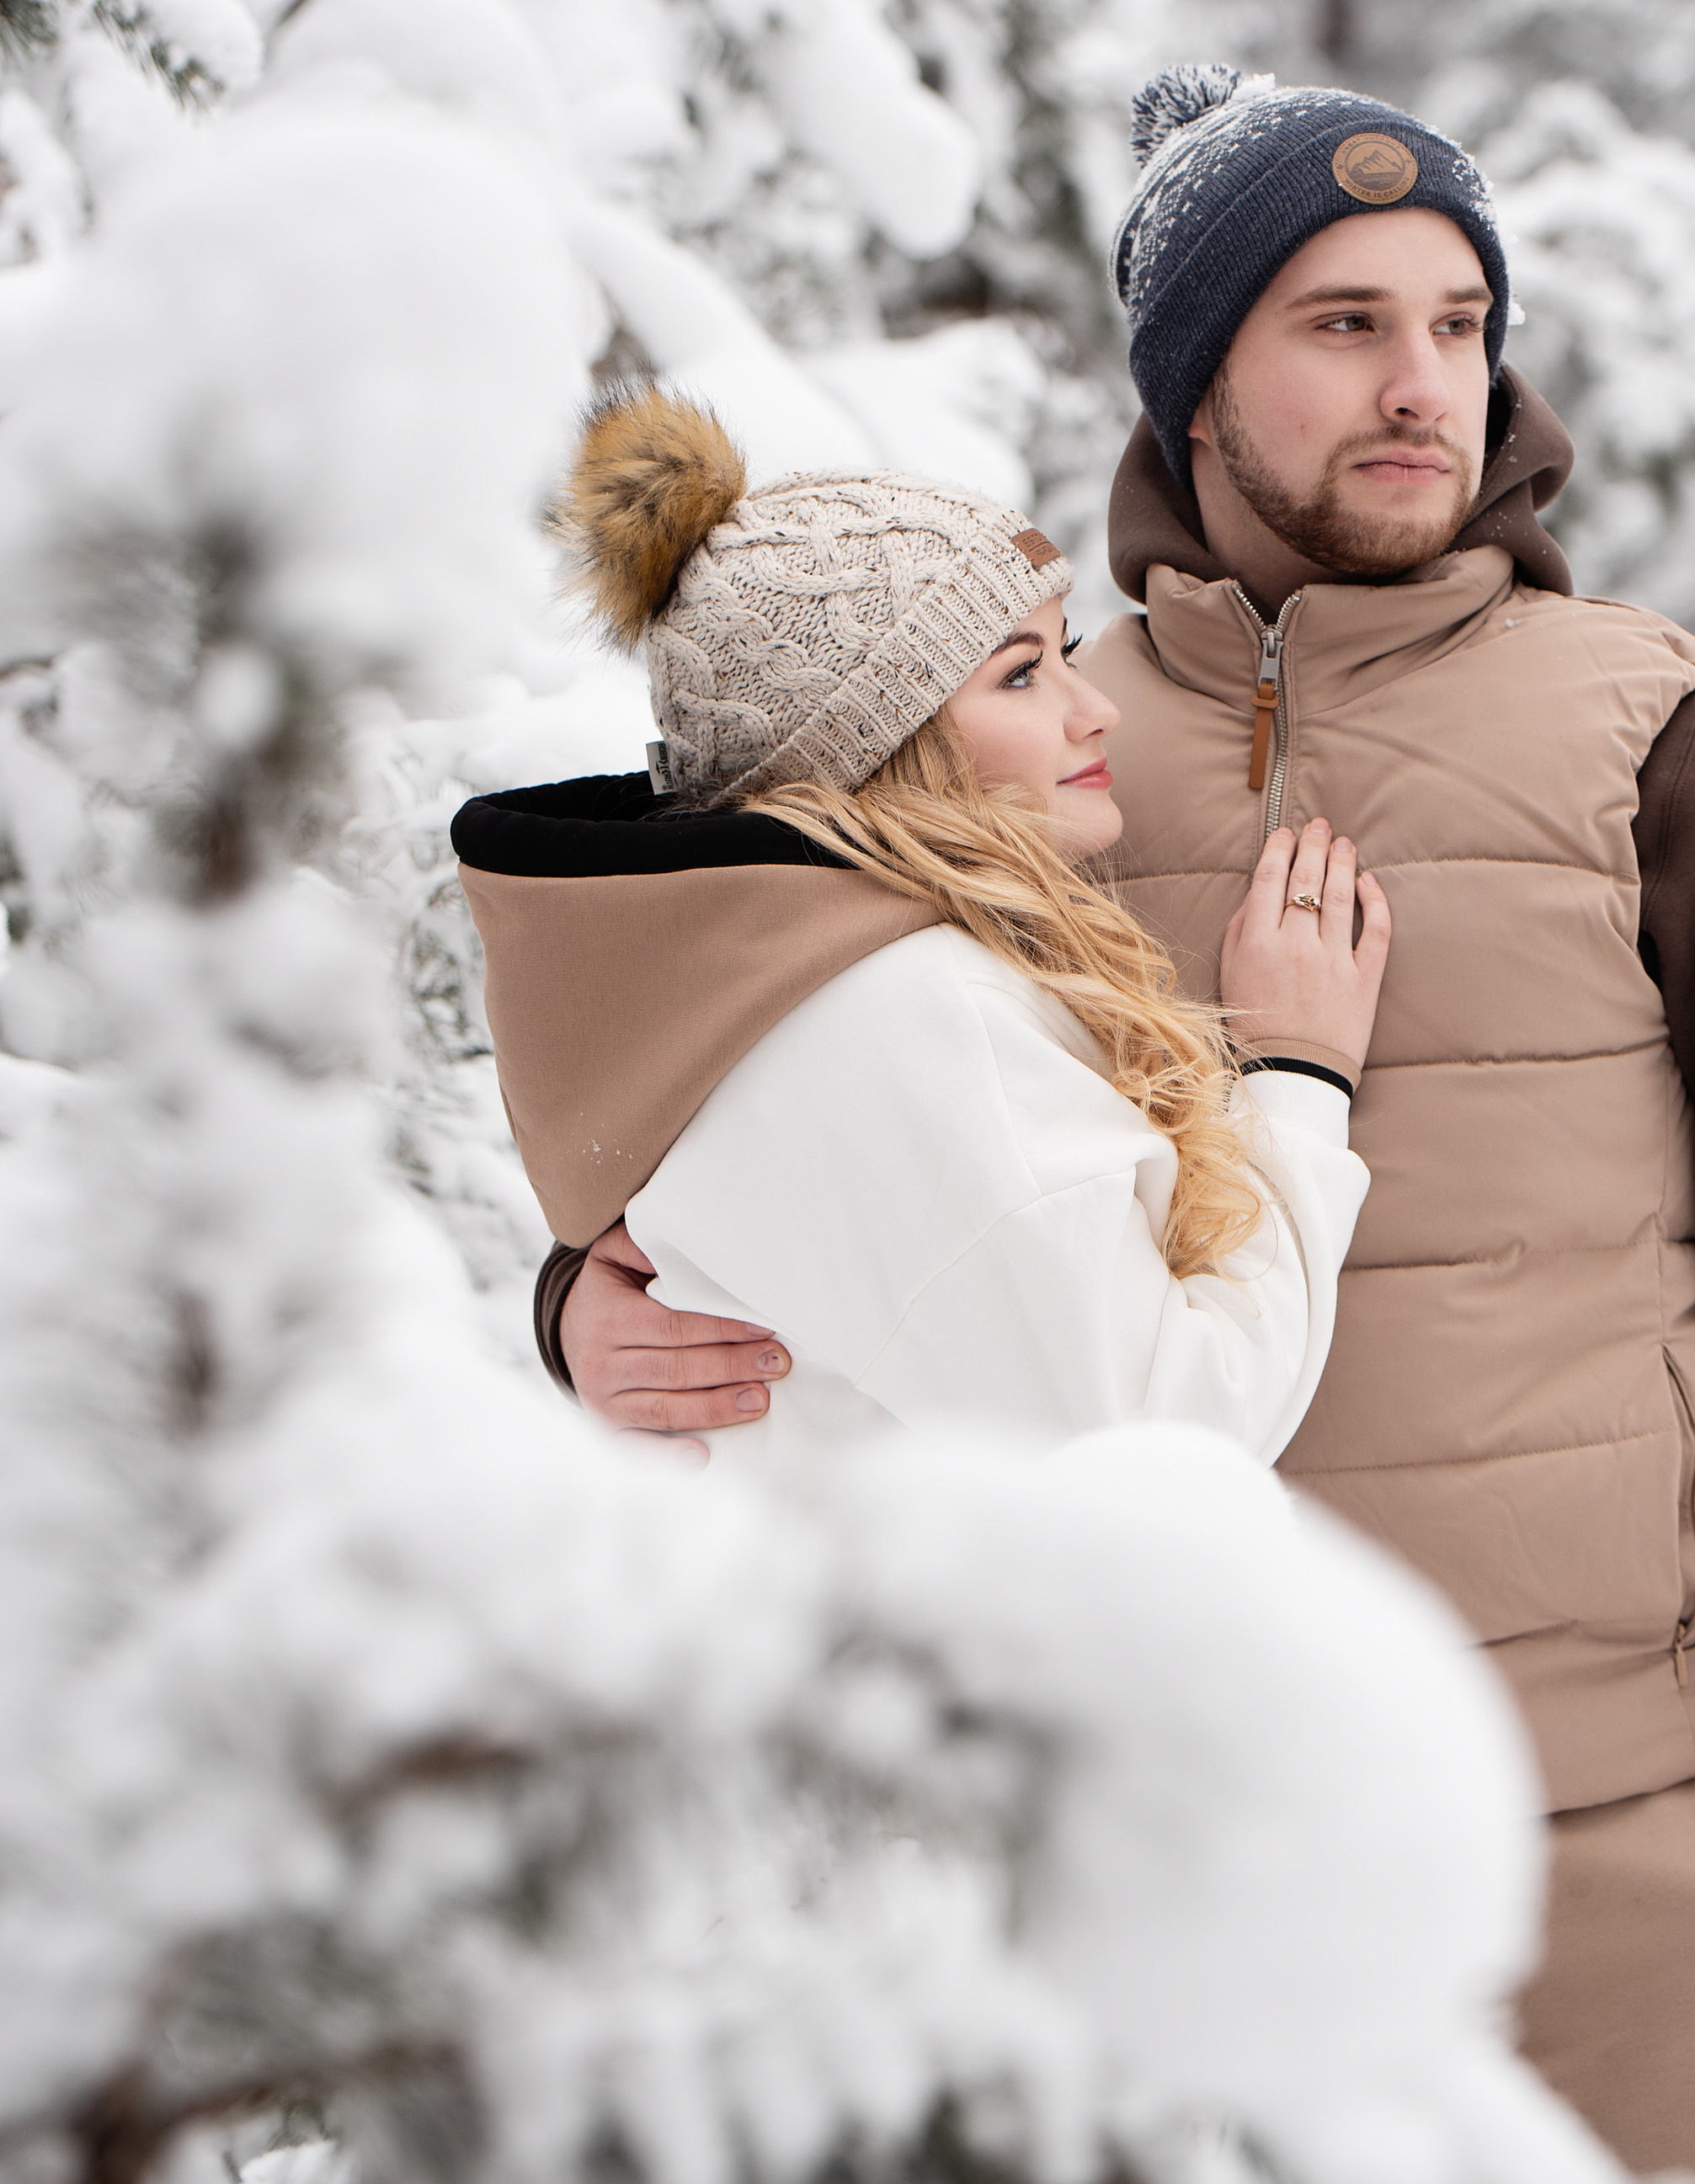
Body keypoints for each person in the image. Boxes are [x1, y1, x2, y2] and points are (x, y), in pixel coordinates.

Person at [540, 67, 1695, 2184]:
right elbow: (735, 1056)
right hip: (1173, 1881)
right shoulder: (1011, 727)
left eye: (1462, 323)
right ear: (1192, 380)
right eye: (1340, 321)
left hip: (1631, 1837)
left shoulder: (1656, 735)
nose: (1422, 383)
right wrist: (583, 1298)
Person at [453, 391, 1390, 1473]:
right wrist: (1292, 1073)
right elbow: (1164, 1438)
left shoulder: (747, 991)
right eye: (1021, 672)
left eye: (1064, 652)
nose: (1097, 709)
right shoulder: (920, 1017)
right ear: (878, 746)